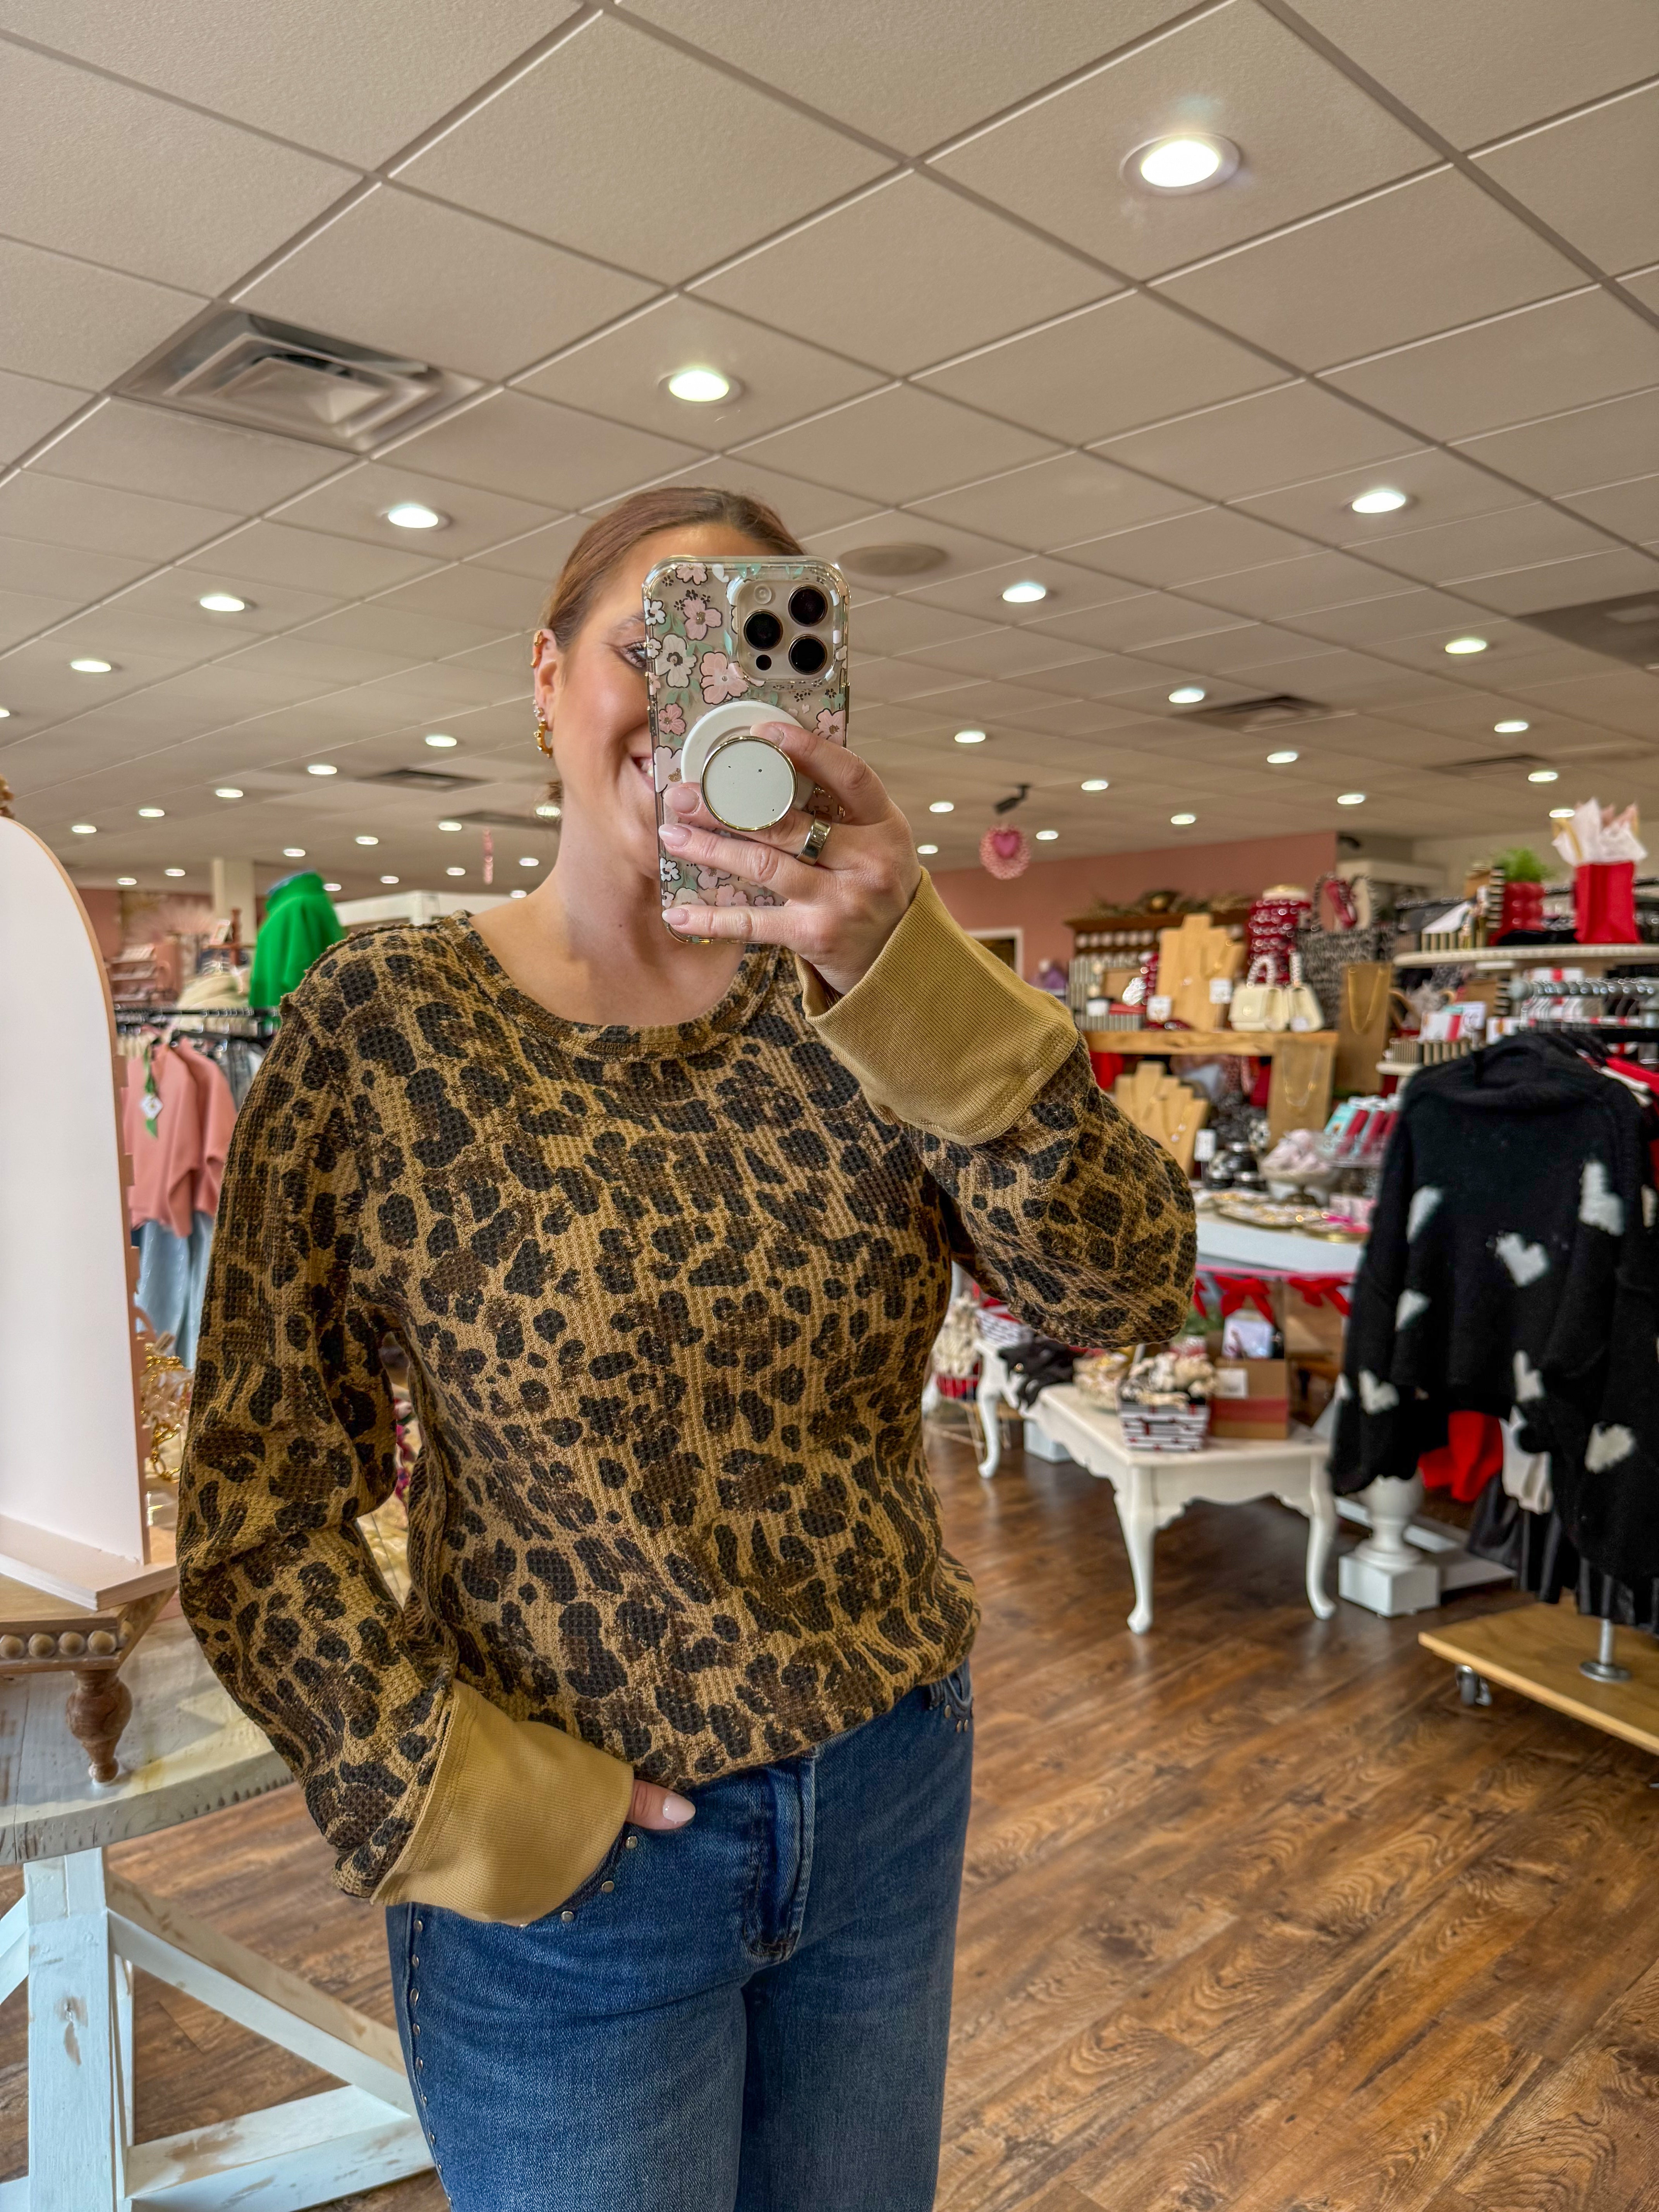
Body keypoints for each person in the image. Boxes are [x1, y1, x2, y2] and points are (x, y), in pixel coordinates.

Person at [177, 484, 1195, 2211]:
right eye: (646, 645)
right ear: (546, 680)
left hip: (884, 1794)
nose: (689, 696)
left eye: (746, 651)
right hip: (572, 1881)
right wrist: (445, 1790)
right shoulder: (385, 1026)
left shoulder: (863, 1010)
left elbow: (1124, 1292)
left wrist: (907, 969)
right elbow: (256, 1508)